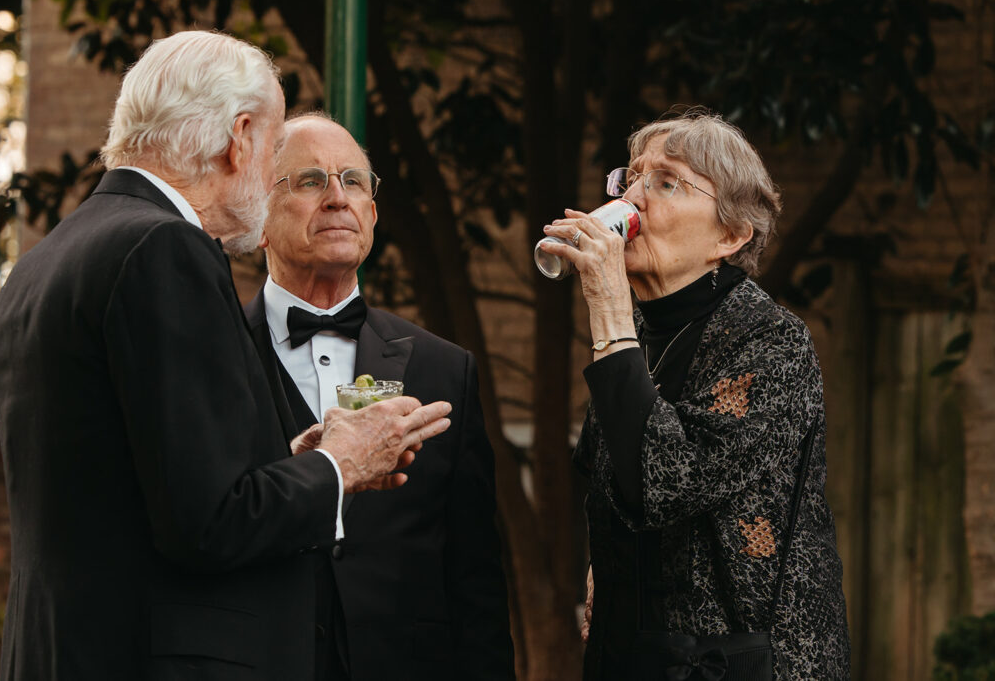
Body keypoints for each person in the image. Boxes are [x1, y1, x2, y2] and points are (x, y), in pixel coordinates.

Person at [0, 31, 451, 681]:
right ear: (238, 137)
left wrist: (288, 461)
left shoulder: (45, 260)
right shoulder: (164, 247)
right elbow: (210, 523)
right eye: (275, 148)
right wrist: (337, 464)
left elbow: (142, 481)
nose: (269, 175)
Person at [538, 109, 851, 679]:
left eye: (666, 181)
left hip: (735, 663)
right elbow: (610, 480)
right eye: (630, 178)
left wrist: (608, 310)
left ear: (730, 236)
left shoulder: (771, 340)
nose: (634, 198)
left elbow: (664, 480)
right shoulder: (640, 332)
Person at [244, 113, 515, 681]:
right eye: (311, 180)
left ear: (372, 212)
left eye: (355, 182)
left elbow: (475, 580)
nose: (338, 198)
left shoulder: (444, 368)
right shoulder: (215, 354)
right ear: (258, 219)